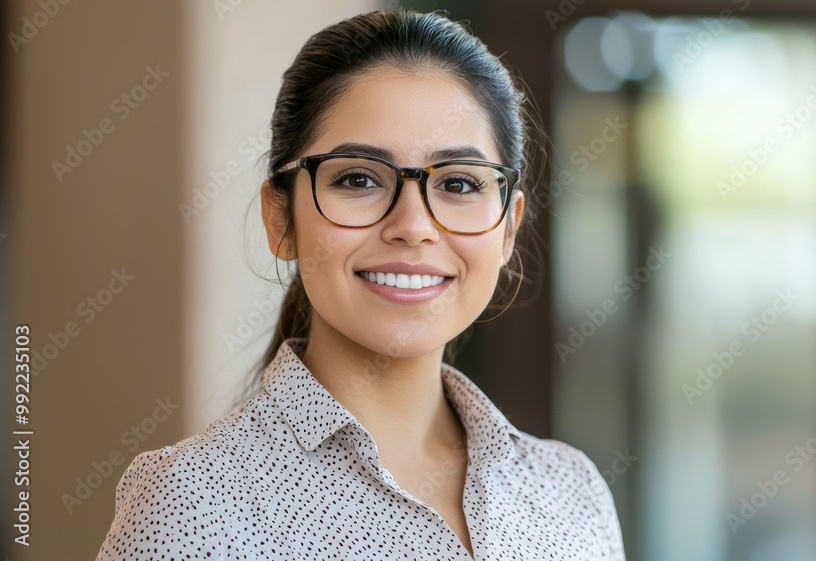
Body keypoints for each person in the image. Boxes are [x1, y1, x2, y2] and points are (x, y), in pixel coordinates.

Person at [96, 9, 625, 560]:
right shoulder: (192, 506)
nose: (414, 227)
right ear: (281, 220)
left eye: (460, 183)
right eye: (358, 178)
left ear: (508, 228)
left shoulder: (571, 492)